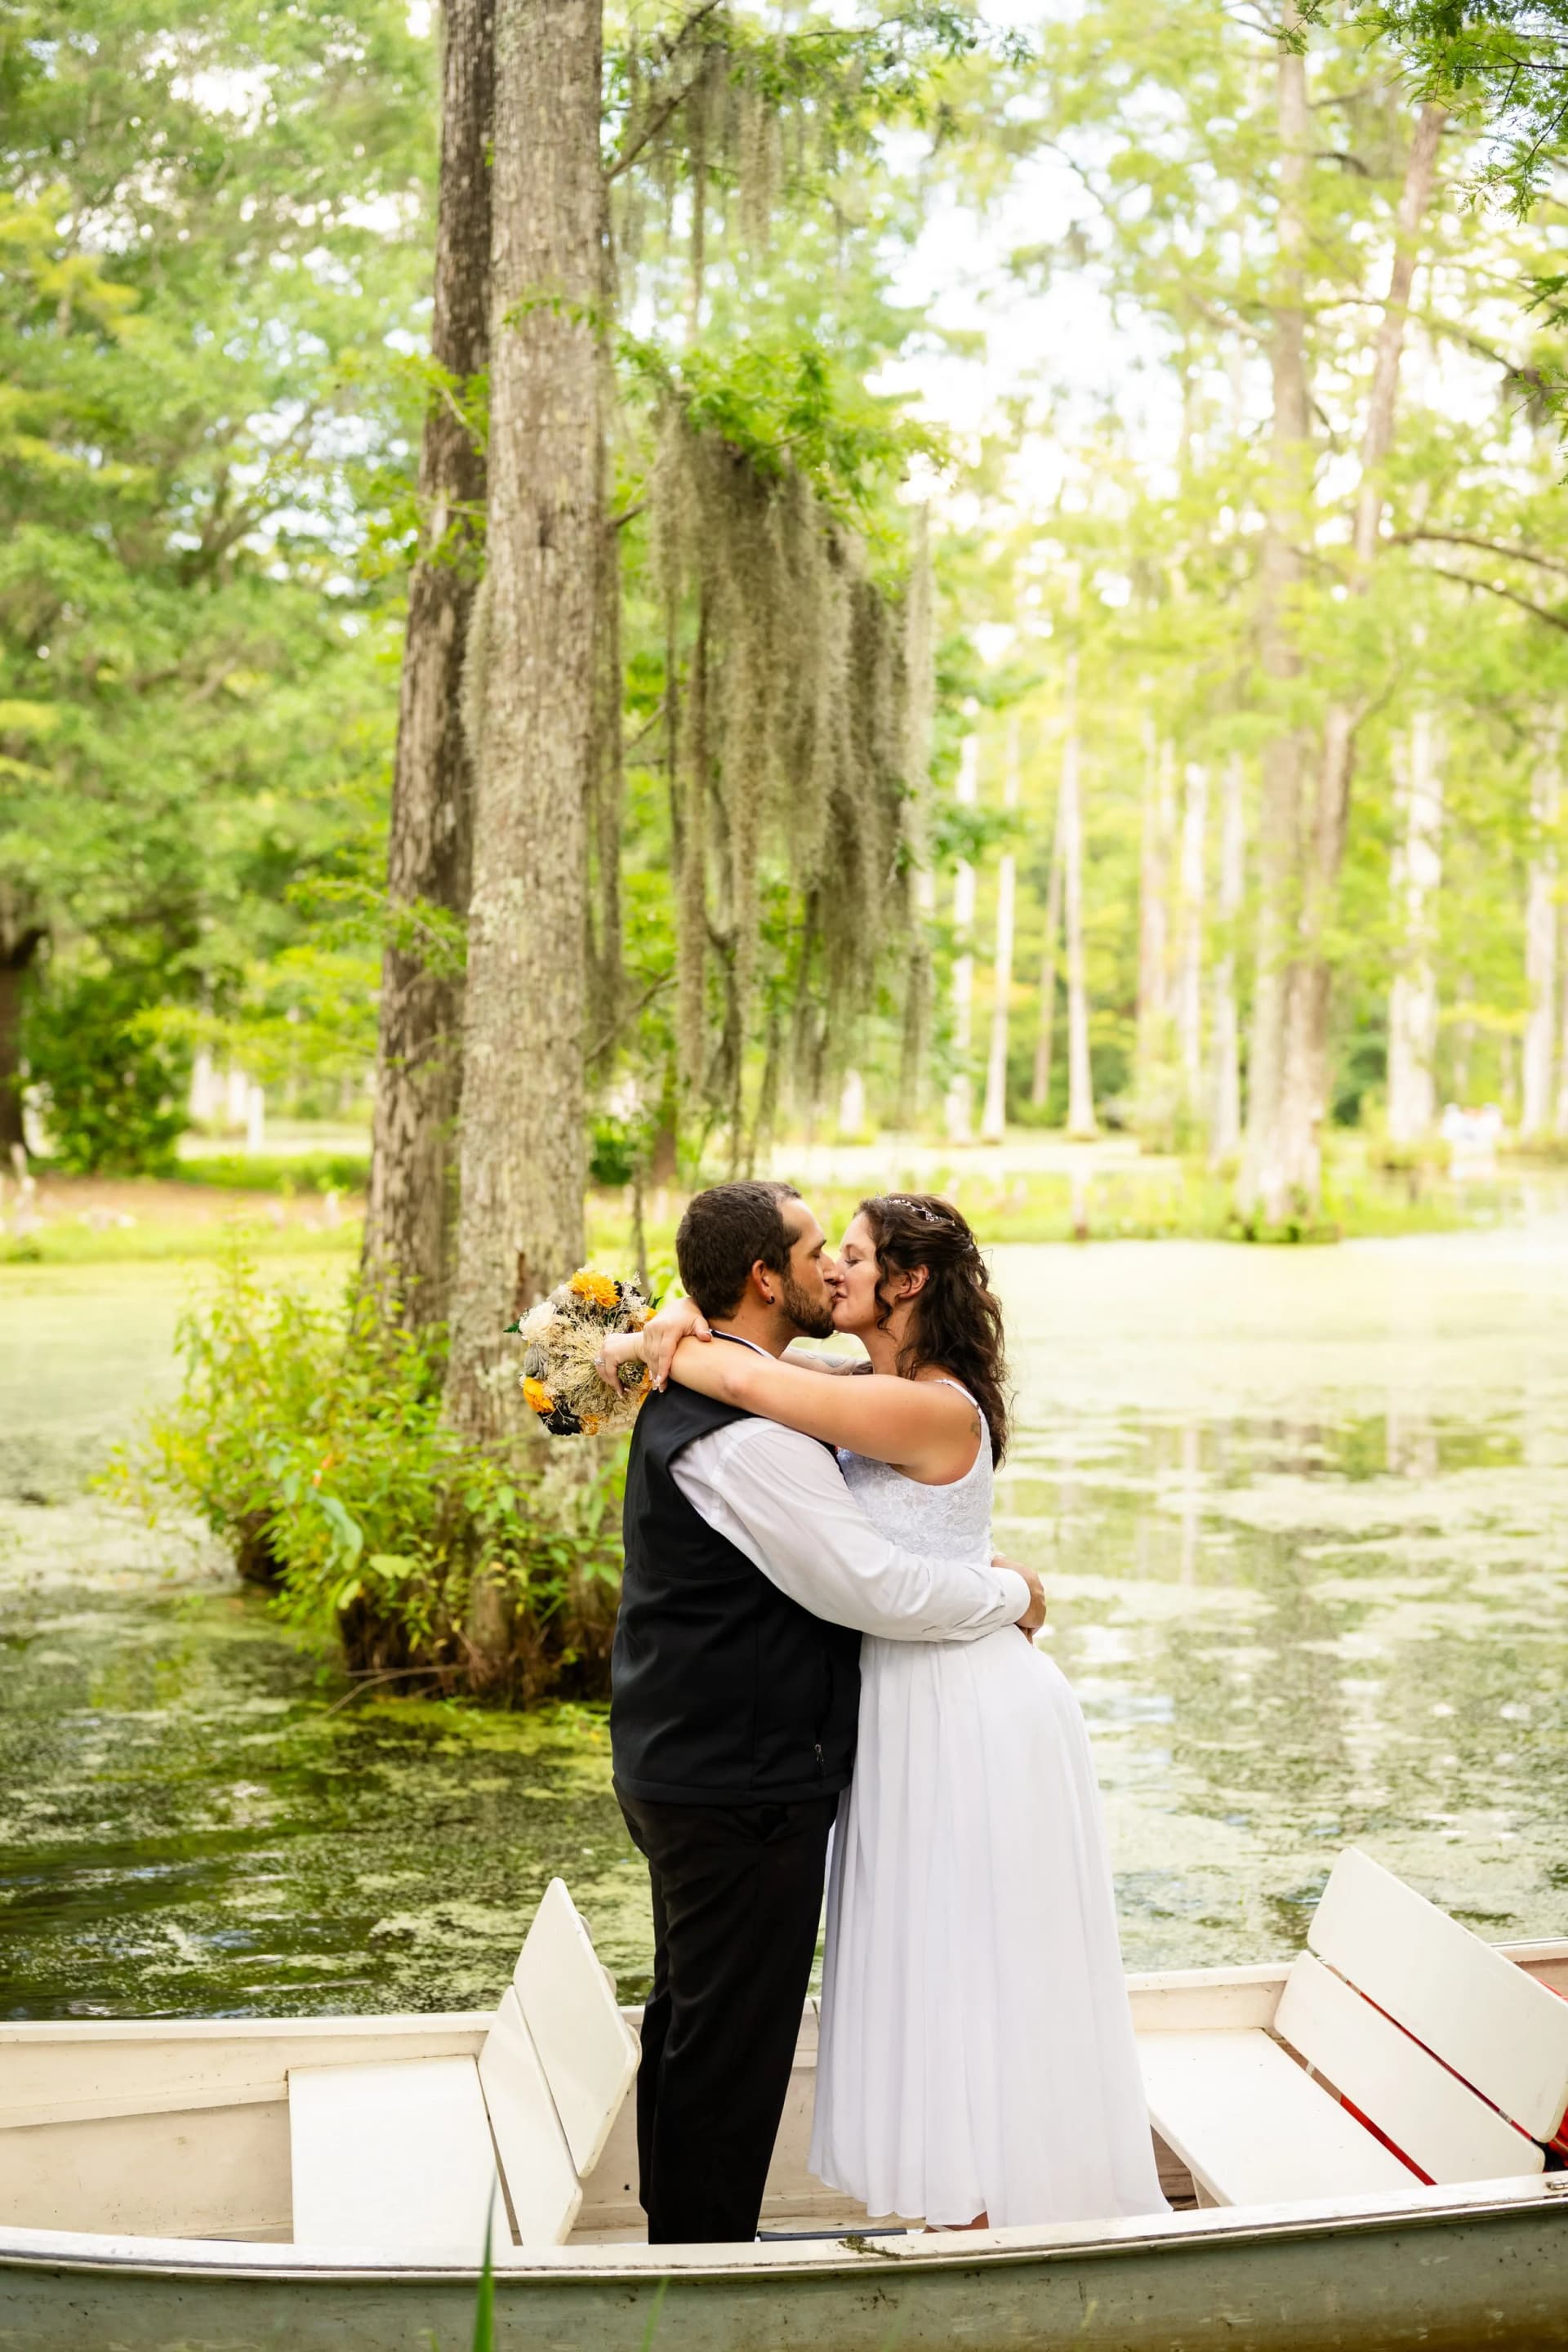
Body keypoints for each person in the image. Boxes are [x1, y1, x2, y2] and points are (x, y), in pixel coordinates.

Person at [607, 1190, 1167, 2234]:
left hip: (963, 1706)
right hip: (861, 1719)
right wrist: (665, 1330)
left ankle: (997, 2200)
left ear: (906, 1283)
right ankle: (706, 2246)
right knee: (897, 1964)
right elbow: (859, 1558)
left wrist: (668, 1335)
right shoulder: (827, 1392)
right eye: (823, 1253)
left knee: (976, 1953)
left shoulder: (904, 1402)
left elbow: (744, 1380)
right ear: (769, 1277)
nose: (834, 1271)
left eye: (852, 1256)